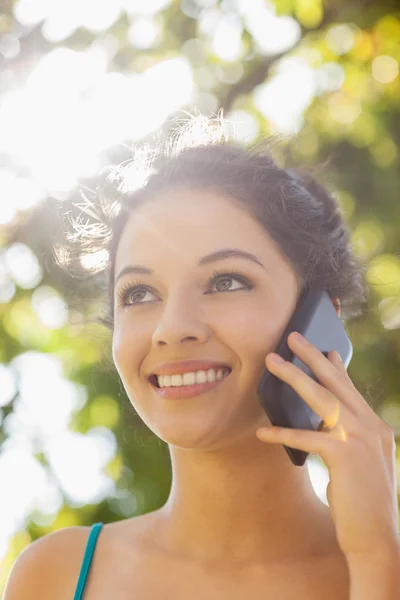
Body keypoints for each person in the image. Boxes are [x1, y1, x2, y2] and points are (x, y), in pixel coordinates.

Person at [4, 114, 370, 599]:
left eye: (226, 282)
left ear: (321, 318)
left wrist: (376, 560)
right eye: (138, 294)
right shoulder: (54, 578)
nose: (171, 328)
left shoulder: (383, 564)